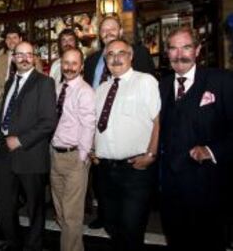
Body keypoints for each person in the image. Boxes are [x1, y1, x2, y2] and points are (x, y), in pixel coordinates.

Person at [159, 27, 233, 251]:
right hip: (171, 190)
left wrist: (211, 150)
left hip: (209, 188)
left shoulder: (222, 80)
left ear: (198, 50)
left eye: (186, 47)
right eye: (173, 48)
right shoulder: (160, 86)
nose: (179, 54)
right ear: (167, 53)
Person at [83, 15, 155, 230]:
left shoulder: (139, 57)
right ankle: (105, 215)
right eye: (104, 29)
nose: (108, 32)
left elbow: (154, 111)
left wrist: (151, 151)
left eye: (112, 28)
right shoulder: (92, 60)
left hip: (132, 147)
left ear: (121, 31)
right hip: (102, 138)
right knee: (107, 198)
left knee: (131, 224)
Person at [93, 39, 160, 251]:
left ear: (131, 56)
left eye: (121, 53)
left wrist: (151, 153)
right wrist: (94, 150)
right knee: (113, 227)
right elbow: (95, 124)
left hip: (135, 170)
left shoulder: (145, 81)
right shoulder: (101, 89)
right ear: (105, 60)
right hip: (105, 170)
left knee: (132, 229)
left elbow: (158, 120)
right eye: (110, 54)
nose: (116, 58)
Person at [0, 41, 57, 251]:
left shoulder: (44, 83)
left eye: (28, 54)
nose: (24, 58)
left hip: (30, 153)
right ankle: (12, 242)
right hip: (4, 152)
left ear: (34, 57)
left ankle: (33, 246)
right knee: (4, 204)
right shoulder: (10, 81)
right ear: (13, 58)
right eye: (19, 54)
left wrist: (20, 140)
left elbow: (48, 122)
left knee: (34, 207)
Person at [50, 48, 96, 251]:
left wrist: (83, 156)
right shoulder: (58, 88)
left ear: (82, 66)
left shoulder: (85, 91)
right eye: (65, 63)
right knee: (60, 211)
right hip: (55, 155)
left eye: (74, 63)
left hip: (74, 157)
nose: (69, 67)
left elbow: (89, 125)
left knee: (71, 215)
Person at [0, 24, 43, 108]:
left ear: (20, 39)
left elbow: (40, 85)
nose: (11, 40)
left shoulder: (33, 59)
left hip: (27, 104)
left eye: (14, 37)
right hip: (4, 104)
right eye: (8, 38)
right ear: (5, 41)